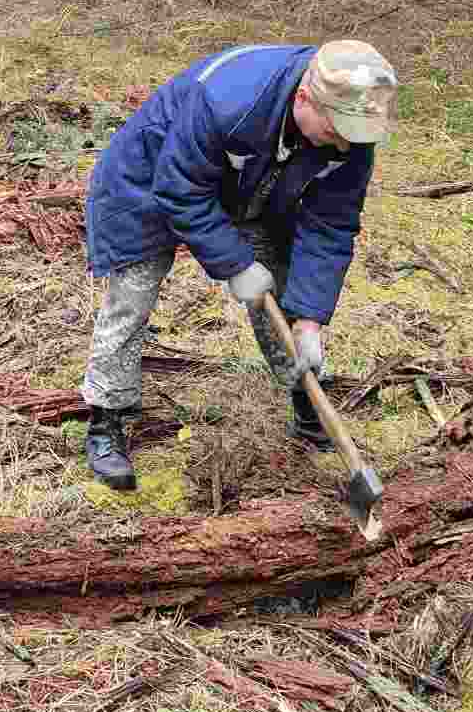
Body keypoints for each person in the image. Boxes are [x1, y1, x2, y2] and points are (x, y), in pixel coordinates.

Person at [80, 40, 398, 490]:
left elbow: (331, 225)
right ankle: (106, 417)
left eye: (352, 134)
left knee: (281, 290)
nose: (343, 143)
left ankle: (307, 401)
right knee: (133, 293)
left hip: (250, 184)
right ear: (304, 98)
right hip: (150, 179)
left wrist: (309, 320)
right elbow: (180, 190)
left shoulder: (350, 133)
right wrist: (234, 264)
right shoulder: (228, 99)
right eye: (335, 131)